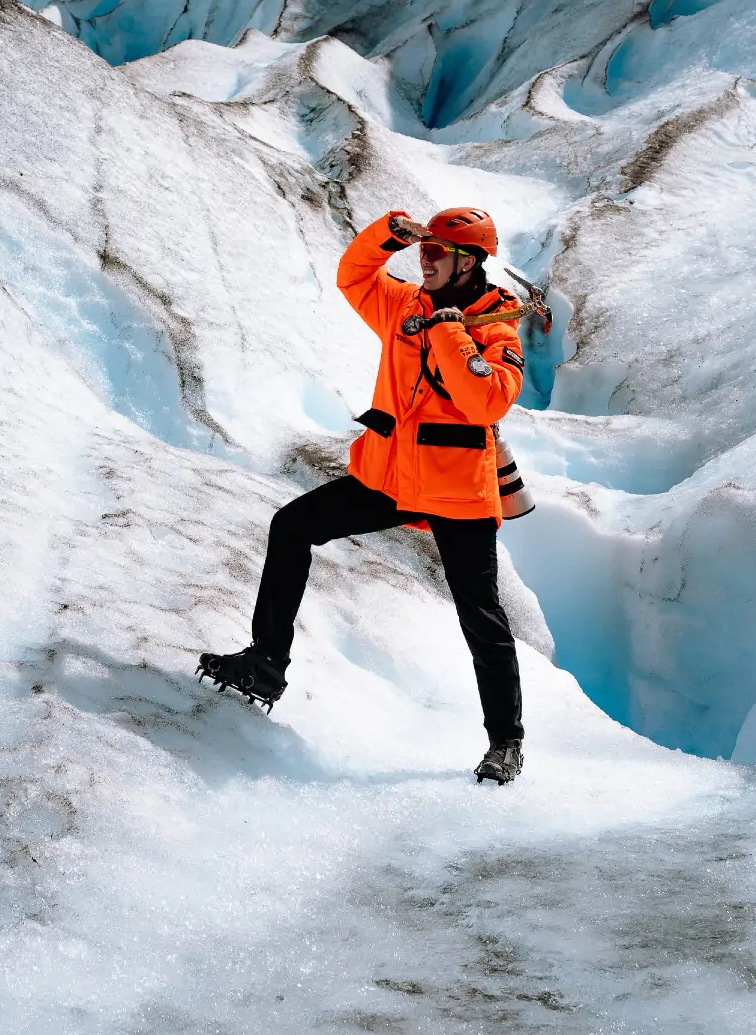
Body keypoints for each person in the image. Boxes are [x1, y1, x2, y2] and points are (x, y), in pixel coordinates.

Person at [199, 207, 529, 784]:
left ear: (469, 261)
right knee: (292, 526)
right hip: (392, 479)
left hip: (458, 495)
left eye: (434, 250)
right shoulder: (404, 306)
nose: (422, 258)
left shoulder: (497, 332)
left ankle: (506, 743)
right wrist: (385, 235)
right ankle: (265, 663)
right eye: (420, 248)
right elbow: (354, 276)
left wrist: (450, 329)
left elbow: (486, 403)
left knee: (482, 618)